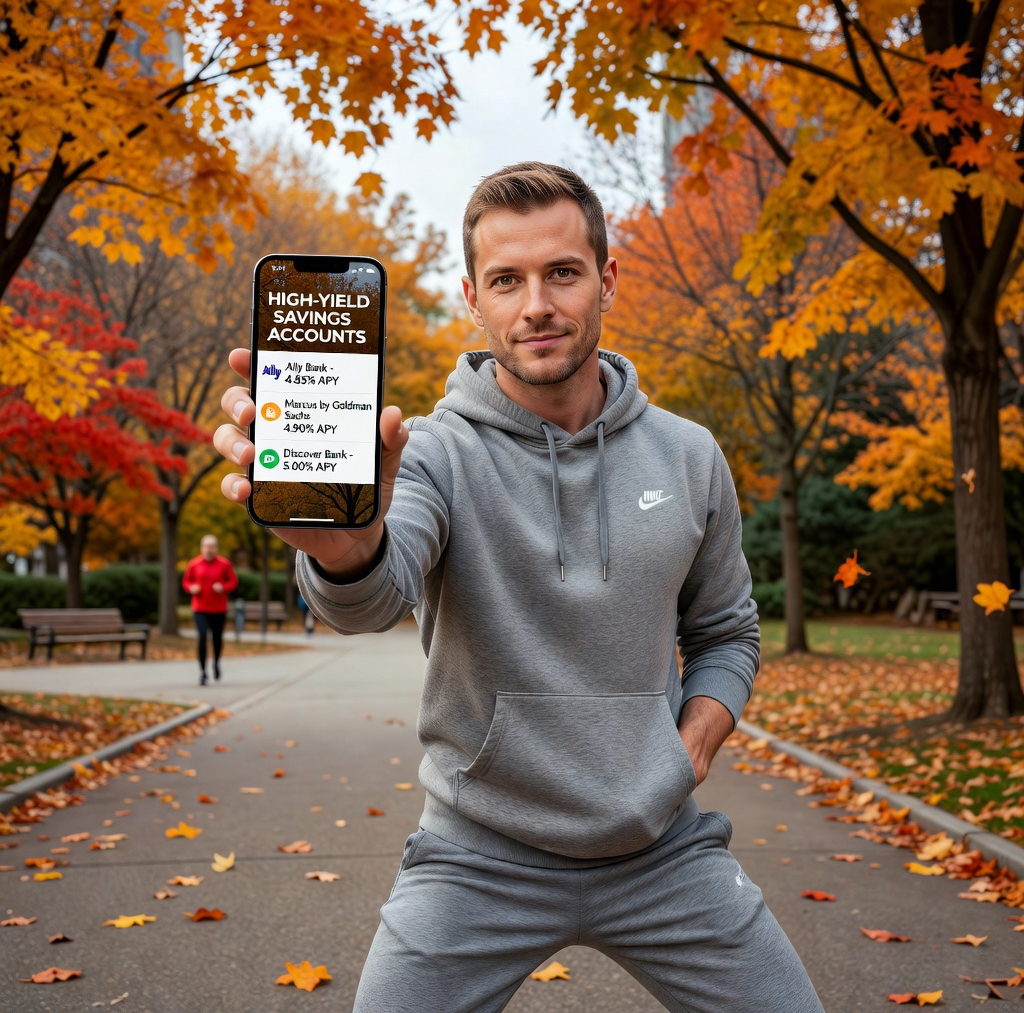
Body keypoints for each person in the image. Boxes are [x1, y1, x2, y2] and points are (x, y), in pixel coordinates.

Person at [213, 162, 824, 1012]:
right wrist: (345, 552)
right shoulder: (428, 454)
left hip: (662, 851)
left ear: (607, 279)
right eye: (506, 280)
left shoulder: (689, 455)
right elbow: (374, 594)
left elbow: (726, 631)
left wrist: (687, 751)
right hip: (475, 859)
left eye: (562, 272)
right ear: (473, 298)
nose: (536, 304)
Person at [181, 534, 238, 686]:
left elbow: (233, 582)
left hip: (219, 609)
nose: (209, 549)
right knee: (202, 637)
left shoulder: (224, 564)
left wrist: (223, 587)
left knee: (217, 639)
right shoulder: (194, 564)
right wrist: (191, 588)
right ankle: (203, 672)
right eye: (206, 546)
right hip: (200, 608)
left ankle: (216, 663)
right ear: (202, 548)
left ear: (216, 548)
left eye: (212, 547)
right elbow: (186, 582)